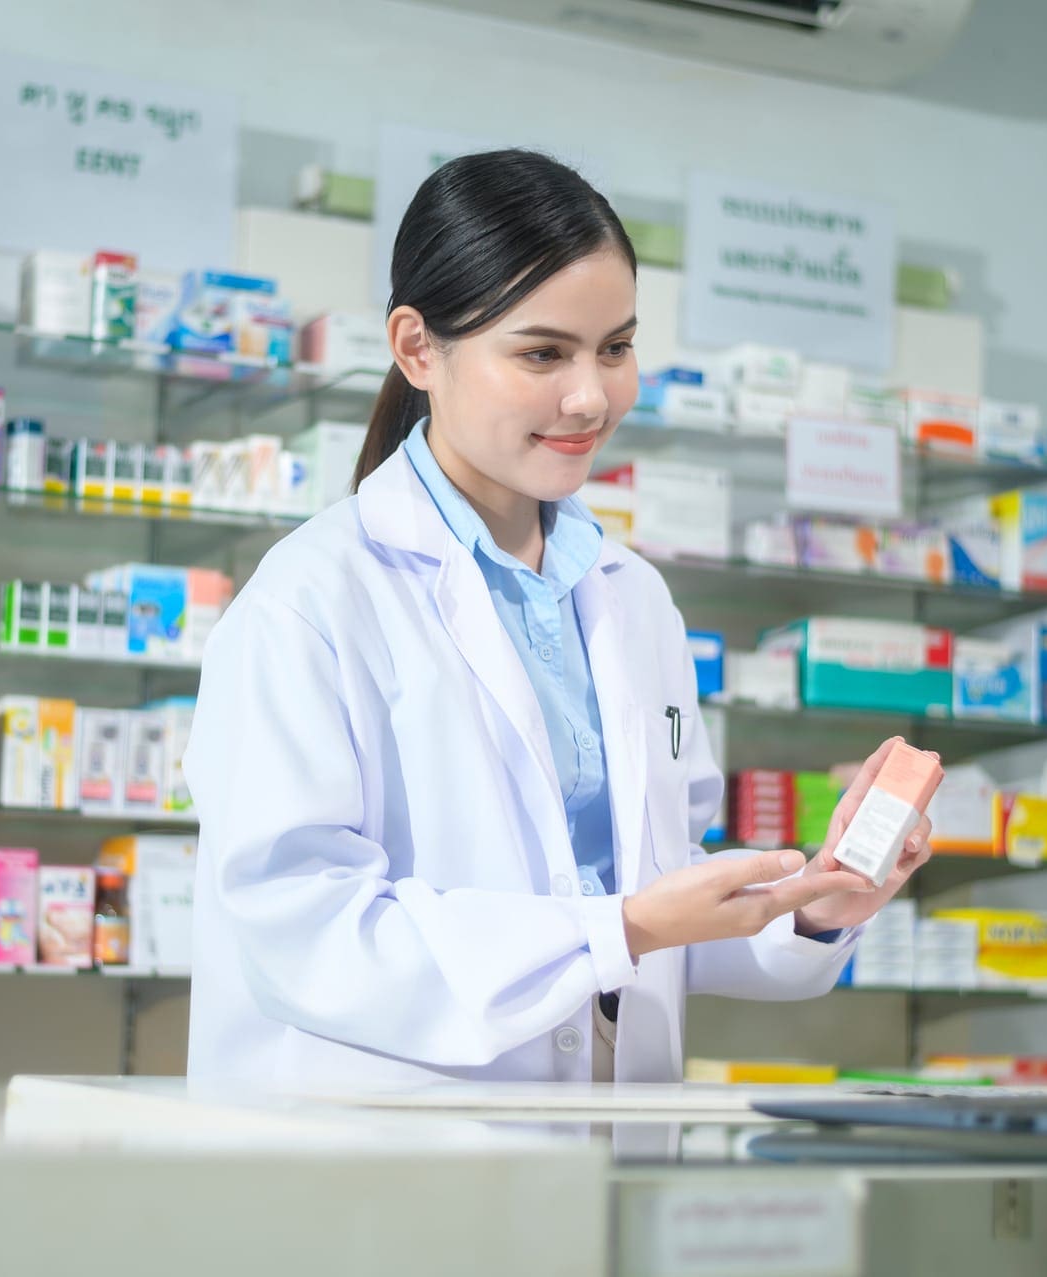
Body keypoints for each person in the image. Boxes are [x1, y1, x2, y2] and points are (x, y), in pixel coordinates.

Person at [185, 149, 934, 1089]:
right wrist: (621, 929)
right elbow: (305, 932)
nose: (592, 396)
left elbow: (663, 893)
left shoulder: (633, 596)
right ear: (418, 347)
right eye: (543, 353)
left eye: (615, 348)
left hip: (606, 1138)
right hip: (382, 1158)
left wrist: (818, 899)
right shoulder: (310, 601)